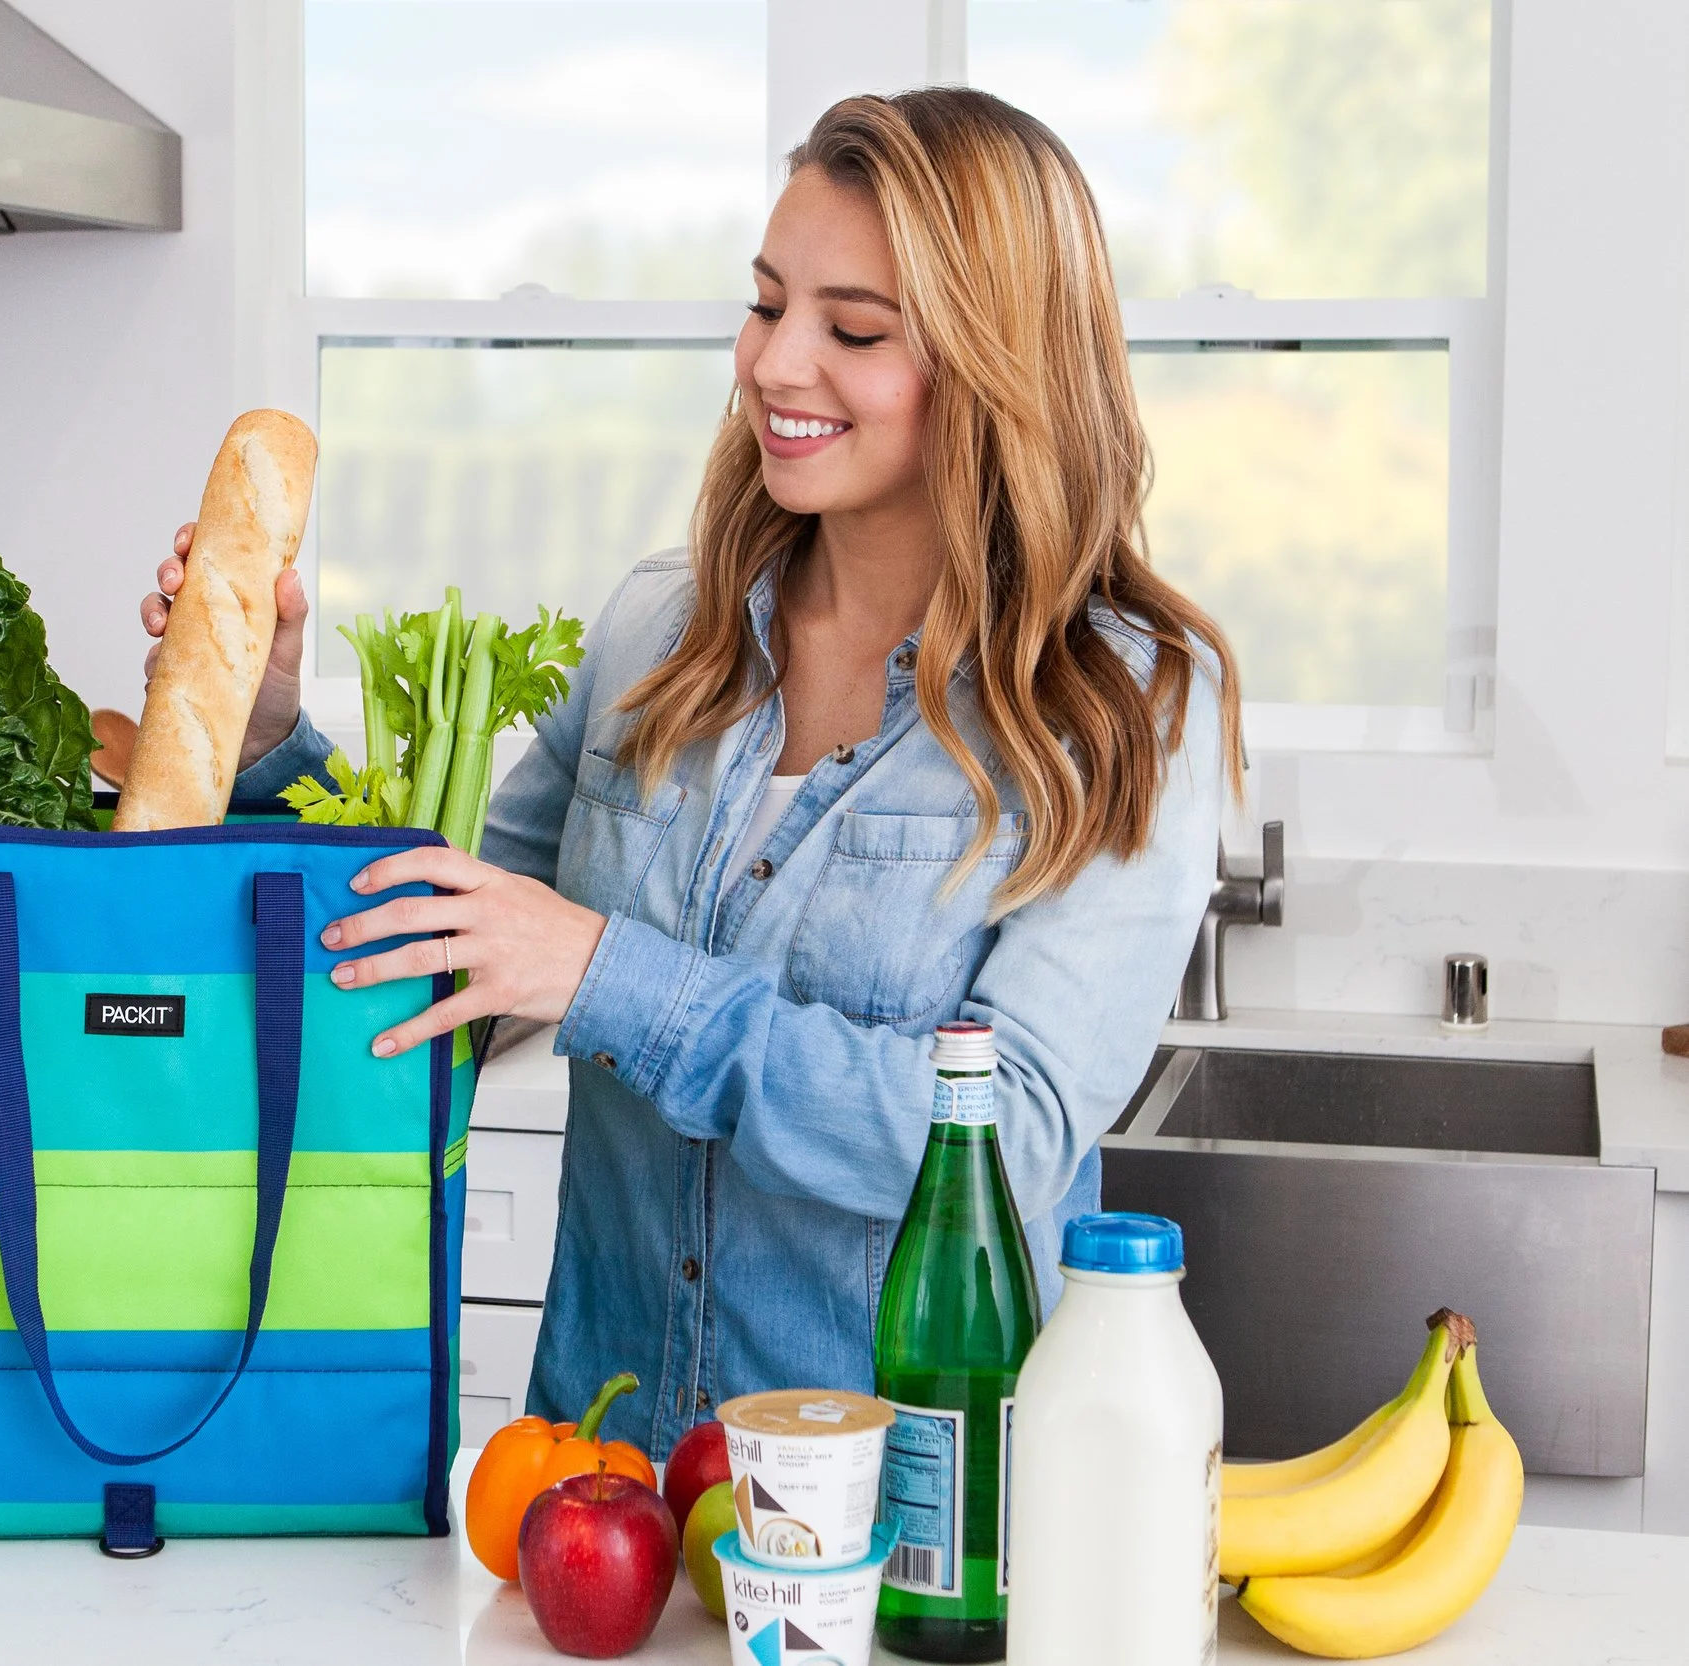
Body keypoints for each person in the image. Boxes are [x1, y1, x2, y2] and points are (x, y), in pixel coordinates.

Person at [139, 88, 1241, 1456]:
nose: (777, 364)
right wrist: (266, 744)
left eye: (852, 329)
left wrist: (613, 979)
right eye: (767, 302)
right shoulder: (661, 634)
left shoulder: (1119, 708)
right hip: (592, 1483)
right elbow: (446, 980)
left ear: (997, 367)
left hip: (903, 1530)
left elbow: (1006, 1152)